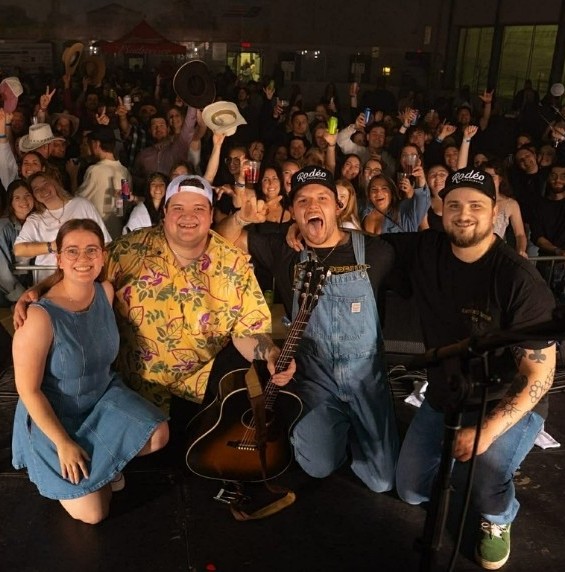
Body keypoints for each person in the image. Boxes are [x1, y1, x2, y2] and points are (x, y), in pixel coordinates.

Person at [385, 167, 556, 570]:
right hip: (445, 396)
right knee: (411, 491)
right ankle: (469, 473)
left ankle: (499, 513)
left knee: (483, 482)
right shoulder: (426, 249)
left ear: (495, 212)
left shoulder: (519, 280)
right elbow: (358, 243)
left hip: (505, 402)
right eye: (455, 205)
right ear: (441, 209)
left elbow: (540, 374)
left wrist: (487, 432)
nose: (464, 215)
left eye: (476, 206)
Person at [215, 166, 399, 493]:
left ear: (337, 206)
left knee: (382, 482)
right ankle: (329, 428)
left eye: (321, 198)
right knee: (317, 465)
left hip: (365, 379)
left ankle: (352, 428)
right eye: (302, 201)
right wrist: (242, 218)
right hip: (314, 378)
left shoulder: (377, 251)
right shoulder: (284, 248)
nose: (312, 205)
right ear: (293, 211)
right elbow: (219, 240)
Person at [11, 219, 169, 524]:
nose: (82, 258)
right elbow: (28, 391)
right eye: (72, 251)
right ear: (59, 259)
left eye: (91, 250)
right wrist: (63, 443)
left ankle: (100, 469)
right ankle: (91, 469)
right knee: (94, 514)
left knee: (159, 434)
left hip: (100, 398)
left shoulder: (105, 292)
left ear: (102, 256)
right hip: (56, 414)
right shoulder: (38, 318)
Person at [14, 172, 112, 282]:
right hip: (48, 280)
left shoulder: (81, 205)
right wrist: (52, 246)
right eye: (36, 189)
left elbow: (106, 242)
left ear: (54, 184)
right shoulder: (35, 219)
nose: (43, 190)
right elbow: (19, 249)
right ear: (34, 196)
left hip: (82, 275)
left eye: (45, 184)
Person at [0, 179, 35, 306]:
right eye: (17, 198)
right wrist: (20, 296)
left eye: (27, 195)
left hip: (32, 284)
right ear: (11, 202)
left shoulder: (38, 222)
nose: (23, 201)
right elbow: (2, 271)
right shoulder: (3, 227)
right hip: (8, 291)